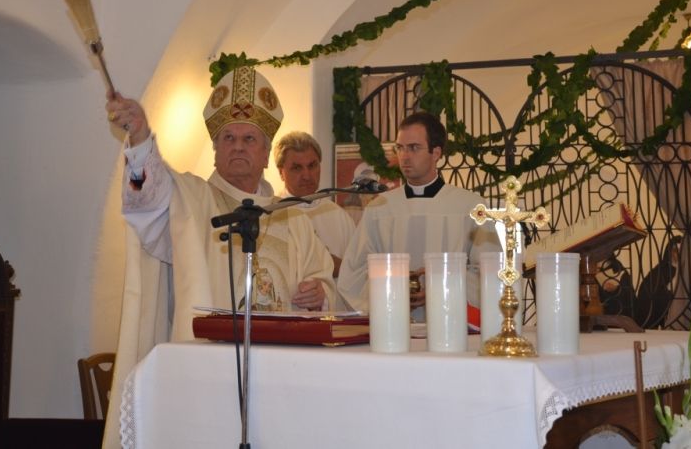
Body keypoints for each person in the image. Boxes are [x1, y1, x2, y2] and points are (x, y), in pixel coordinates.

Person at [102, 66, 335, 449]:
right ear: (215, 148)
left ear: (266, 155)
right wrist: (140, 138)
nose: (238, 146)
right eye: (228, 137)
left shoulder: (292, 216)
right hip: (210, 373)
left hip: (283, 374)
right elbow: (147, 197)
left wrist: (320, 292)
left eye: (249, 138)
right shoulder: (191, 198)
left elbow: (324, 279)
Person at [337, 111, 502, 318]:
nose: (405, 156)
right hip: (393, 323)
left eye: (414, 148)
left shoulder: (469, 206)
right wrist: (392, 290)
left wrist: (441, 288)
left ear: (436, 153)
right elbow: (354, 274)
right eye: (400, 148)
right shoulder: (379, 208)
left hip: (450, 323)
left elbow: (490, 272)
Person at [274, 131, 355, 279]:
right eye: (297, 168)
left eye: (312, 166)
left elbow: (356, 272)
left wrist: (339, 267)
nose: (307, 175)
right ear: (281, 172)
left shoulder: (338, 216)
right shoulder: (272, 215)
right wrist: (324, 263)